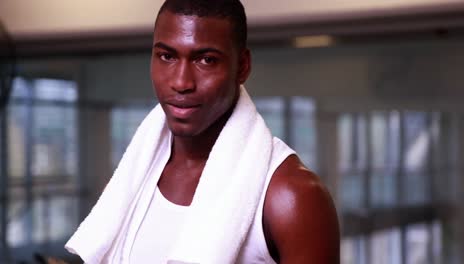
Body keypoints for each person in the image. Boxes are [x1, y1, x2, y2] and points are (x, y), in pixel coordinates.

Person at [66, 0, 340, 263]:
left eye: (206, 60)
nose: (181, 82)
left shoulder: (292, 196)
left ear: (242, 67)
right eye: (167, 56)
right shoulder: (133, 179)